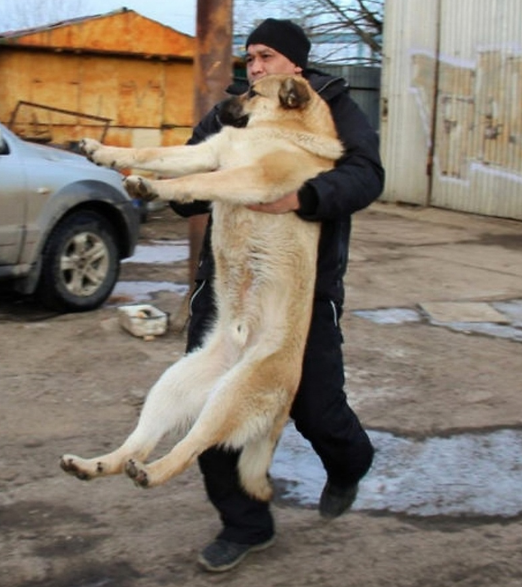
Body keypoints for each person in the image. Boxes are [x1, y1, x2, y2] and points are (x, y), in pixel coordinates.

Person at [170, 18, 385, 573]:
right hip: (230, 289)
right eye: (250, 58)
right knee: (210, 405)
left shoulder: (332, 103)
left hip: (299, 290)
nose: (255, 67)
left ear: (294, 63)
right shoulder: (236, 111)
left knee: (316, 407)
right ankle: (246, 524)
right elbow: (193, 176)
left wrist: (303, 197)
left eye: (265, 56)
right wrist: (182, 188)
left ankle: (350, 461)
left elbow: (367, 174)